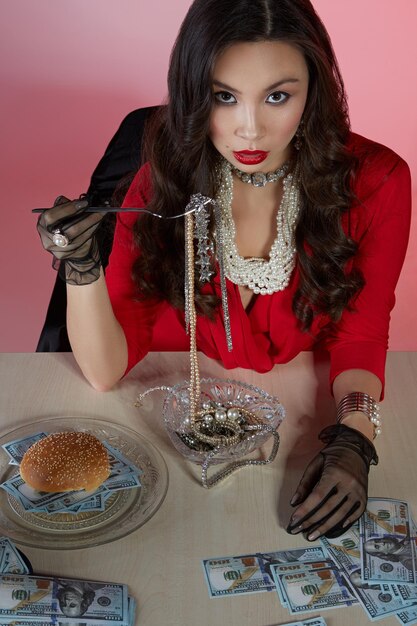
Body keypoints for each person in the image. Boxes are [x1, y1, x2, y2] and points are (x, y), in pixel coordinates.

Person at [36, 0, 411, 540]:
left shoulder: (378, 182)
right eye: (223, 97)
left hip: (293, 415)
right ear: (193, 95)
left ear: (314, 90)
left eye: (278, 96)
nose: (250, 129)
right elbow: (104, 372)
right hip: (167, 427)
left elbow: (362, 333)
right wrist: (81, 270)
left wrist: (355, 435)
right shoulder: (157, 181)